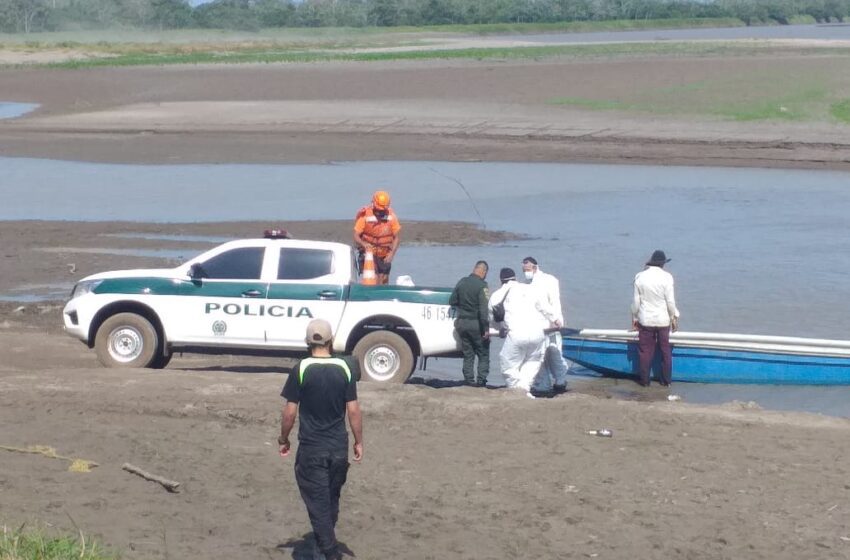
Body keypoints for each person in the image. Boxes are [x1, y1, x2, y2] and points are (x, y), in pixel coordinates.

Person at [279, 319, 363, 560]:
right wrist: (359, 441)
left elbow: (290, 412)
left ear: (308, 341)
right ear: (330, 340)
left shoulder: (301, 369)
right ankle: (321, 548)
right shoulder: (345, 368)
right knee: (329, 499)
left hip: (312, 449)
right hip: (338, 447)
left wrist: (283, 438)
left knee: (318, 505)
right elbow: (354, 410)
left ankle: (329, 553)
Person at [489, 267, 558, 398]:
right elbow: (543, 306)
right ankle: (525, 388)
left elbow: (492, 317)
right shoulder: (529, 288)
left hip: (516, 334)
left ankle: (516, 389)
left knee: (508, 362)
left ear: (501, 280)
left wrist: (499, 329)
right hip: (537, 333)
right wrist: (555, 319)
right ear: (515, 278)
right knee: (533, 361)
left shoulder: (497, 294)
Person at [630, 250, 680, 387]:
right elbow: (670, 302)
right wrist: (673, 317)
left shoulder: (640, 277)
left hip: (645, 320)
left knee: (645, 352)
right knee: (665, 350)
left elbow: (636, 302)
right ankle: (666, 381)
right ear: (663, 264)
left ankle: (645, 382)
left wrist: (634, 317)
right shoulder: (667, 277)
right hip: (663, 320)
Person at [522, 256, 568, 395]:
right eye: (524, 269)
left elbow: (550, 303)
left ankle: (551, 383)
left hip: (549, 324)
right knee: (547, 355)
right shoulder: (533, 282)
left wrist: (555, 319)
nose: (525, 272)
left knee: (547, 354)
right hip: (544, 324)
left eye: (527, 269)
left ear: (535, 267)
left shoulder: (545, 281)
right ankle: (552, 383)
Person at [449, 260, 491, 387]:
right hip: (476, 324)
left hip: (462, 323)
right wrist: (486, 329)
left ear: (474, 269)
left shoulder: (462, 281)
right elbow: (484, 311)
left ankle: (468, 380)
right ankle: (481, 380)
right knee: (483, 353)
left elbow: (452, 300)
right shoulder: (482, 286)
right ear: (484, 271)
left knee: (468, 353)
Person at [353, 190, 401, 285]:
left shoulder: (391, 216)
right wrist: (364, 244)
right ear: (373, 204)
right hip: (369, 253)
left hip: (384, 253)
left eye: (383, 210)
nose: (381, 212)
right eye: (379, 210)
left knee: (384, 279)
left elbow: (397, 238)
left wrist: (391, 254)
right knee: (373, 278)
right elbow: (356, 235)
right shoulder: (365, 215)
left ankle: (384, 297)